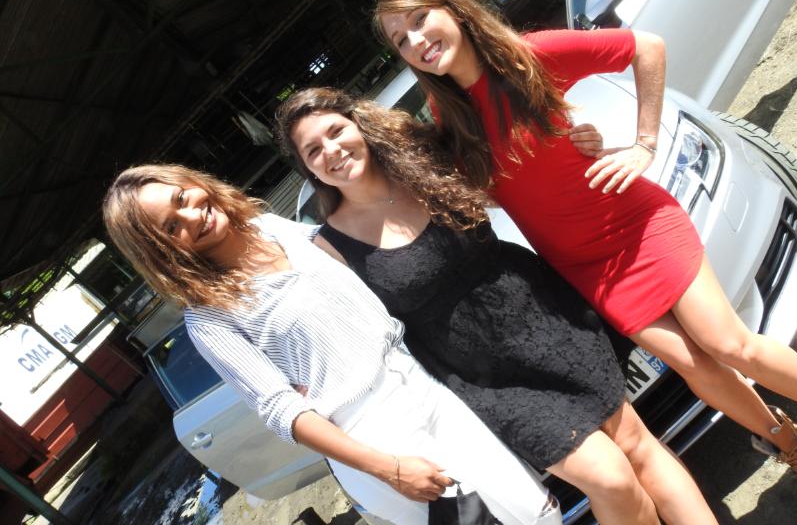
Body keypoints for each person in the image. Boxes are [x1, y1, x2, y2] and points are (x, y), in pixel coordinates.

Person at [372, 0, 797, 473]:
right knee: (691, 365)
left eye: (420, 19)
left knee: (729, 344)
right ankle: (787, 441)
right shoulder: (449, 116)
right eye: (401, 40)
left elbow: (647, 47)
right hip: (589, 268)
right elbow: (506, 187)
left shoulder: (530, 56)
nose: (417, 40)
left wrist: (643, 145)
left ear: (454, 10)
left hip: (634, 224)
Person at [275, 87, 717, 525]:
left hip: (546, 321)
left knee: (637, 446)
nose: (331, 150)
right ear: (307, 168)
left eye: (336, 131)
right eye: (313, 150)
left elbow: (520, 159)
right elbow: (336, 323)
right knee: (610, 478)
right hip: (483, 379)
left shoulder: (425, 162)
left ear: (358, 125)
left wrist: (579, 140)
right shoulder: (327, 247)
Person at [102, 164, 562, 525]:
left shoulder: (271, 227)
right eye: (171, 227)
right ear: (163, 252)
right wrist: (388, 468)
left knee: (539, 512)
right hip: (373, 431)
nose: (191, 215)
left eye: (182, 198)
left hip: (423, 381)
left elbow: (360, 264)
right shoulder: (209, 317)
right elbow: (280, 410)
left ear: (195, 184)